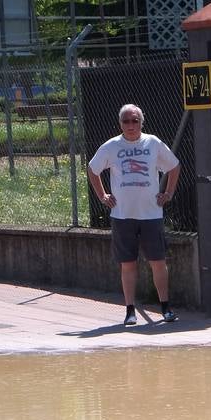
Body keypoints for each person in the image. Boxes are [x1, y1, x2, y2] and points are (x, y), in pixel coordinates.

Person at [87, 103, 181, 325]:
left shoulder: (153, 143)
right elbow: (93, 169)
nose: (131, 125)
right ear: (120, 124)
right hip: (122, 215)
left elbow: (174, 166)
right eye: (126, 121)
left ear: (141, 122)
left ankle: (166, 308)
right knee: (127, 263)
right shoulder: (111, 146)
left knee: (158, 261)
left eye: (135, 120)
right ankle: (130, 310)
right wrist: (103, 195)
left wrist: (168, 193)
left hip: (151, 214)